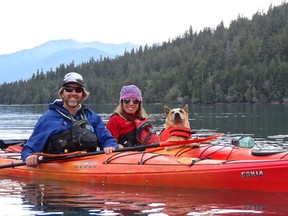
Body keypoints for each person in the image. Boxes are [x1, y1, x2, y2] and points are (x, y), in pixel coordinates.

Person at [21, 72, 118, 166]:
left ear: (82, 94)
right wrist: (30, 156)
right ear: (62, 93)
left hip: (89, 164)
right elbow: (29, 149)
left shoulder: (92, 117)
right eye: (69, 89)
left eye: (78, 90)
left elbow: (107, 139)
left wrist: (110, 146)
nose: (74, 93)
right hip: (58, 167)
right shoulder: (47, 119)